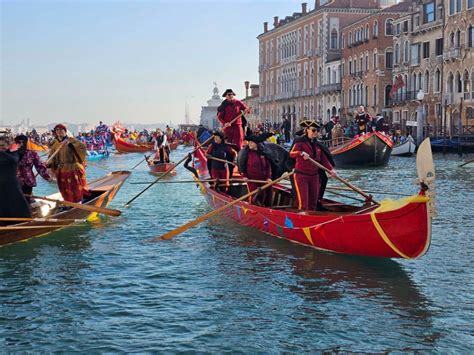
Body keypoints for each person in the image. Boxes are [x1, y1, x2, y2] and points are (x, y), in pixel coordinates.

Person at [289, 120, 336, 211]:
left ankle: (311, 218)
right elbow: (291, 153)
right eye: (313, 130)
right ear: (307, 130)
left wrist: (331, 169)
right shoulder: (300, 142)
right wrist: (301, 153)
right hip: (301, 176)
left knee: (313, 202)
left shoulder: (317, 145)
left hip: (314, 176)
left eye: (317, 131)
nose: (316, 132)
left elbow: (324, 160)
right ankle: (302, 220)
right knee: (304, 203)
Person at [48, 124, 89, 203]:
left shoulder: (72, 140)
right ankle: (68, 202)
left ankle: (78, 202)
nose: (59, 131)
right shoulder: (55, 144)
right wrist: (49, 165)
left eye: (61, 130)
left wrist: (70, 145)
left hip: (73, 167)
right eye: (57, 130)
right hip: (62, 170)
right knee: (64, 188)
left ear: (65, 131)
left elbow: (82, 147)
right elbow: (52, 156)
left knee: (75, 186)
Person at [0, 136, 32, 221]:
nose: (1, 147)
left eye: (3, 145)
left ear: (8, 145)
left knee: (16, 203)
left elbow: (14, 160)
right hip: (1, 184)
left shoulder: (13, 153)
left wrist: (1, 152)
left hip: (12, 184)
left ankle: (23, 220)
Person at [238, 134, 273, 206]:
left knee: (263, 196)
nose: (249, 144)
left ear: (256, 144)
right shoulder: (246, 153)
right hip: (251, 179)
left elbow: (268, 166)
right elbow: (242, 165)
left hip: (262, 179)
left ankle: (263, 209)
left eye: (251, 142)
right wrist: (244, 176)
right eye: (249, 142)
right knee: (254, 196)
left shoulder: (262, 153)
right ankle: (253, 210)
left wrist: (268, 177)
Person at [14, 135, 51, 201]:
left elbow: (40, 166)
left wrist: (47, 177)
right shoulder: (11, 154)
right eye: (19, 142)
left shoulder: (32, 154)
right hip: (14, 182)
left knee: (26, 200)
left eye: (23, 142)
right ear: (16, 143)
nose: (21, 144)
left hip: (28, 181)